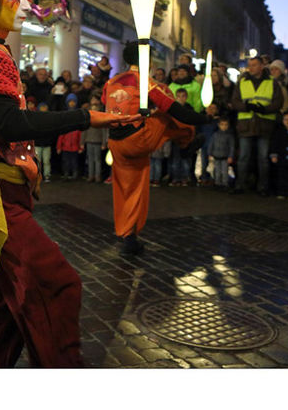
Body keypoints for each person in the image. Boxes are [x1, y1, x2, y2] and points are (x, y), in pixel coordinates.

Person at [0, 0, 141, 367]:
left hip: (4, 189)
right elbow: (9, 126)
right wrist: (88, 116)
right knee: (58, 287)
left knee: (7, 312)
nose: (21, 6)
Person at [104, 41, 210, 255]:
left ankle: (125, 232)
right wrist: (204, 118)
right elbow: (176, 111)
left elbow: (108, 104)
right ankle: (187, 140)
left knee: (123, 188)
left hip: (115, 142)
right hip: (137, 140)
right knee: (166, 117)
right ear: (149, 61)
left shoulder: (112, 81)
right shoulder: (147, 83)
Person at [232, 56, 284, 195]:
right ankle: (240, 185)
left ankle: (262, 187)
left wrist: (264, 109)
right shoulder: (242, 81)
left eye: (254, 65)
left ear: (261, 66)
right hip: (247, 123)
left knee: (263, 159)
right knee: (244, 157)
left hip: (263, 124)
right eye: (250, 65)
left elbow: (278, 102)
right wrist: (245, 106)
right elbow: (235, 101)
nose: (251, 68)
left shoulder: (272, 82)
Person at [82, 98, 109, 183]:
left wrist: (104, 143)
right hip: (89, 141)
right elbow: (84, 131)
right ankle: (91, 176)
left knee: (97, 160)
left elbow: (104, 131)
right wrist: (82, 142)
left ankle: (97, 176)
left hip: (97, 141)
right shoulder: (87, 119)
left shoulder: (100, 119)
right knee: (90, 159)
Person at [209, 115, 237, 191]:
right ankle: (218, 183)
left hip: (225, 156)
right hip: (216, 155)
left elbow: (232, 147)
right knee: (217, 171)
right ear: (218, 125)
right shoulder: (215, 135)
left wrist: (230, 156)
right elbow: (211, 144)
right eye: (222, 124)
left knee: (224, 171)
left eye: (225, 125)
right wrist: (210, 153)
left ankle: (225, 184)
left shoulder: (229, 136)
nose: (224, 127)